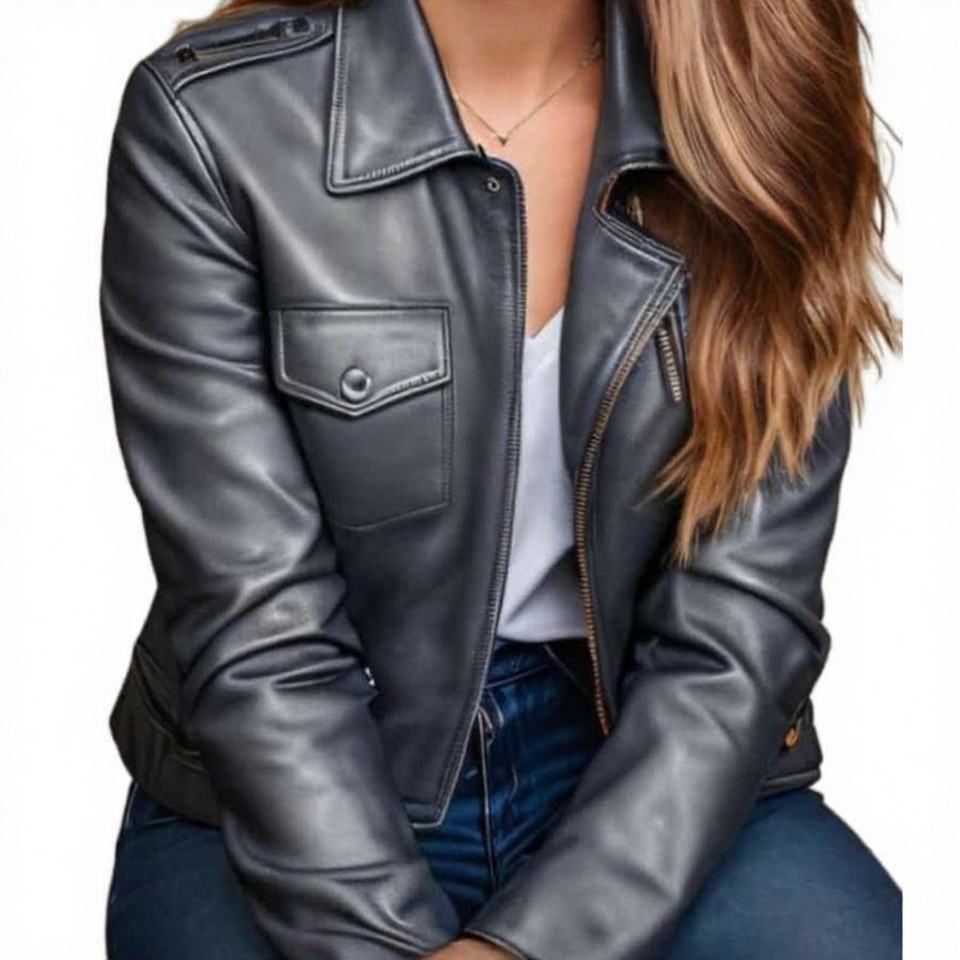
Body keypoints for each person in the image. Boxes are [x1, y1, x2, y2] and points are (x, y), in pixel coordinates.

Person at [100, 1, 902, 958]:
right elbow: (257, 620)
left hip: (651, 757)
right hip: (293, 771)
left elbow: (740, 627)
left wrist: (527, 949)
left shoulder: (757, 93)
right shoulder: (218, 118)